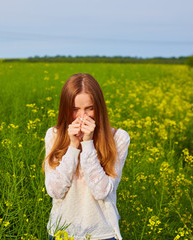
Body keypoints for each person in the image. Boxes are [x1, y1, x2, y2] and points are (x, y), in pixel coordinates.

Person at [43, 73, 130, 240]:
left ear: (99, 107)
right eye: (75, 110)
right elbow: (54, 190)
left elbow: (102, 191)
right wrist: (73, 146)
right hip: (61, 233)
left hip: (102, 234)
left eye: (90, 108)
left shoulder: (118, 138)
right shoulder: (54, 135)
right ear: (65, 109)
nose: (83, 116)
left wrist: (88, 143)